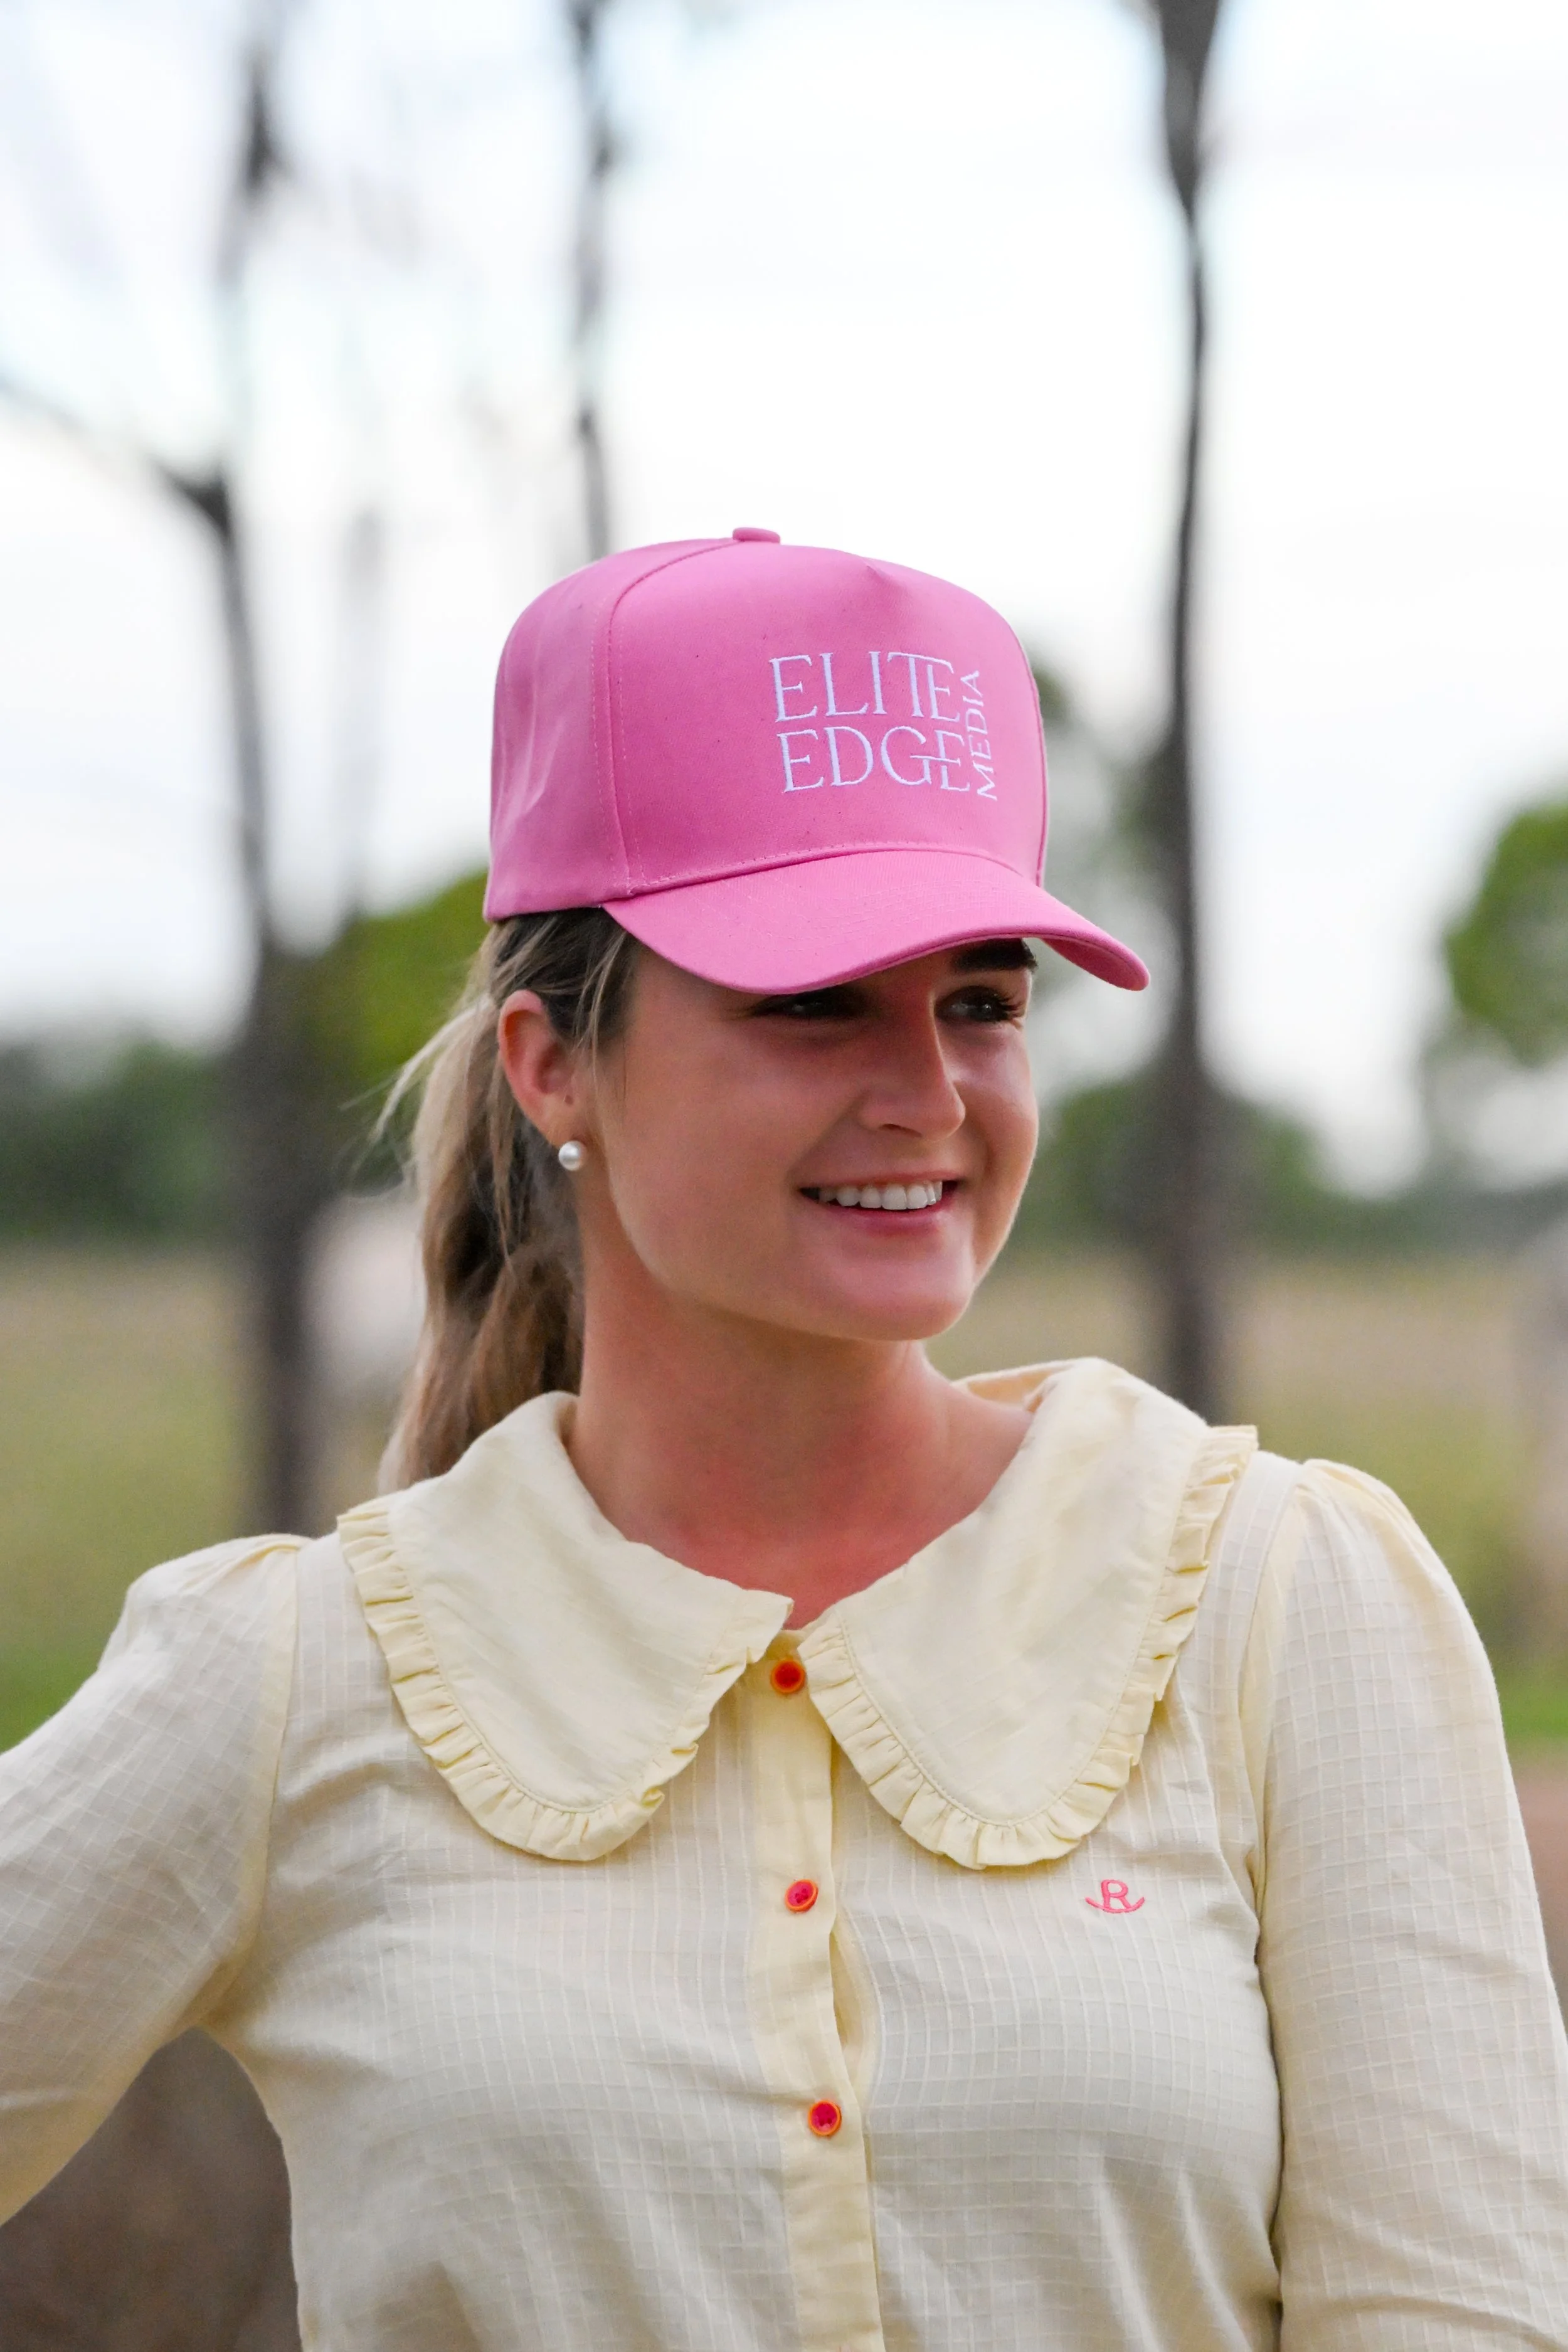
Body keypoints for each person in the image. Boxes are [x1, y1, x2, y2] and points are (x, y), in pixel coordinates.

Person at [1, 531, 1565, 2351]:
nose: (929, 1090)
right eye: (812, 997)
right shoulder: (294, 1677)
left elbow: (1455, 2315)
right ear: (547, 1061)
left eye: (980, 998)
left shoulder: (1284, 1603)